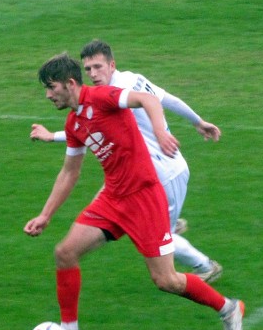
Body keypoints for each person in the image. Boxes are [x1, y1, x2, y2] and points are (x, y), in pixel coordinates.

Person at [24, 53, 244, 330]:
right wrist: (45, 215)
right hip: (113, 199)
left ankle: (229, 309)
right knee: (65, 252)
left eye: (51, 88)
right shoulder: (74, 123)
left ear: (70, 84)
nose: (48, 95)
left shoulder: (103, 97)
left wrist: (160, 131)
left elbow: (149, 100)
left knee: (166, 280)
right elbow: (69, 172)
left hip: (144, 198)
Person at [30, 40, 224, 283]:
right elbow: (166, 98)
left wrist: (53, 136)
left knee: (157, 237)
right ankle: (168, 228)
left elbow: (96, 129)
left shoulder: (119, 94)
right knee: (115, 214)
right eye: (88, 69)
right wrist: (197, 121)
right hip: (148, 172)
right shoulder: (130, 80)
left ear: (112, 65)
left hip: (162, 171)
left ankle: (205, 265)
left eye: (98, 67)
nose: (93, 74)